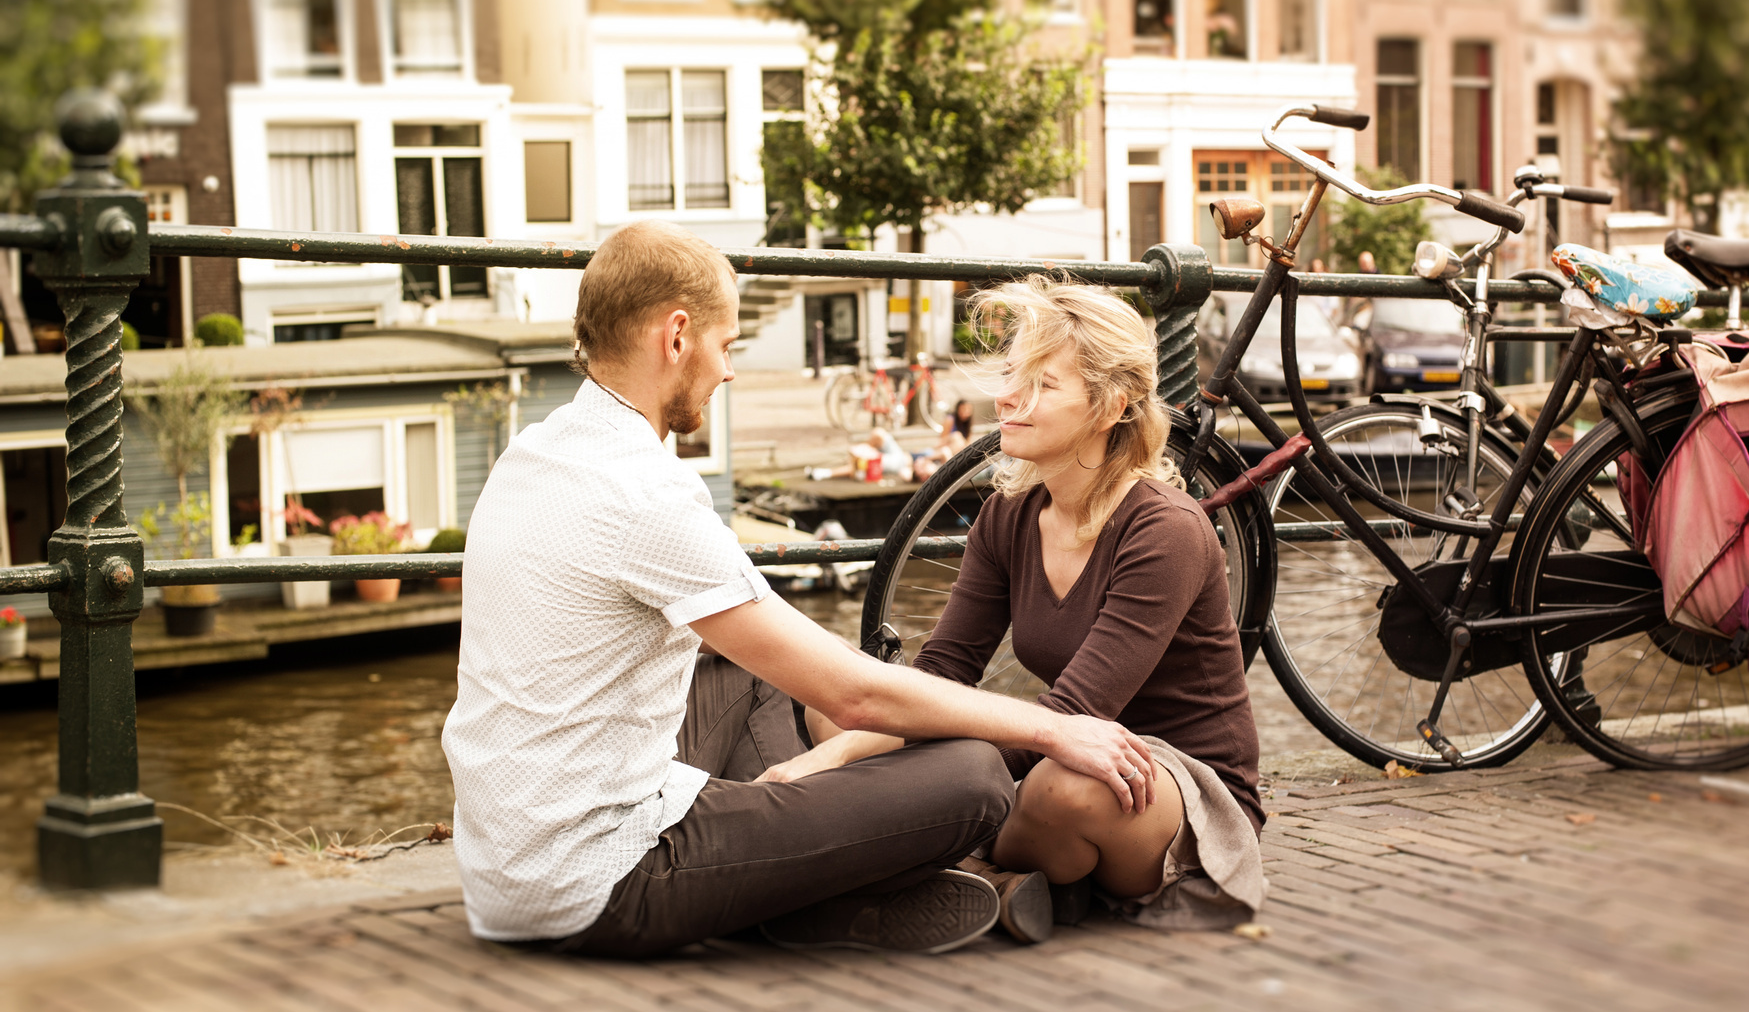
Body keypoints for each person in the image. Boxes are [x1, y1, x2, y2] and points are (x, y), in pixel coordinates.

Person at [441, 224, 1159, 959]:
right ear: (677, 336)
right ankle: (808, 887)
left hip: (503, 865)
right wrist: (1051, 729)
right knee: (975, 775)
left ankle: (796, 888)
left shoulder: (533, 452)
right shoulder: (645, 493)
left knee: (748, 665)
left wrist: (822, 768)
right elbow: (855, 696)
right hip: (603, 879)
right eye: (727, 346)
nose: (728, 372)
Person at [774, 278, 1266, 939]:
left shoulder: (1165, 530)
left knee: (1058, 790)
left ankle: (946, 858)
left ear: (1110, 405)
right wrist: (856, 737)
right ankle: (1008, 878)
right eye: (1011, 376)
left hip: (1168, 782)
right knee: (839, 701)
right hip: (1061, 745)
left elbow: (1073, 713)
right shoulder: (1008, 514)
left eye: (1041, 383)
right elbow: (944, 670)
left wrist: (844, 765)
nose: (1006, 397)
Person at [914, 398, 977, 481]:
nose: (966, 412)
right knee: (956, 437)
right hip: (948, 447)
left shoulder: (968, 424)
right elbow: (942, 440)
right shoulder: (950, 420)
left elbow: (968, 443)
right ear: (958, 409)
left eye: (968, 410)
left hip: (957, 451)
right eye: (963, 409)